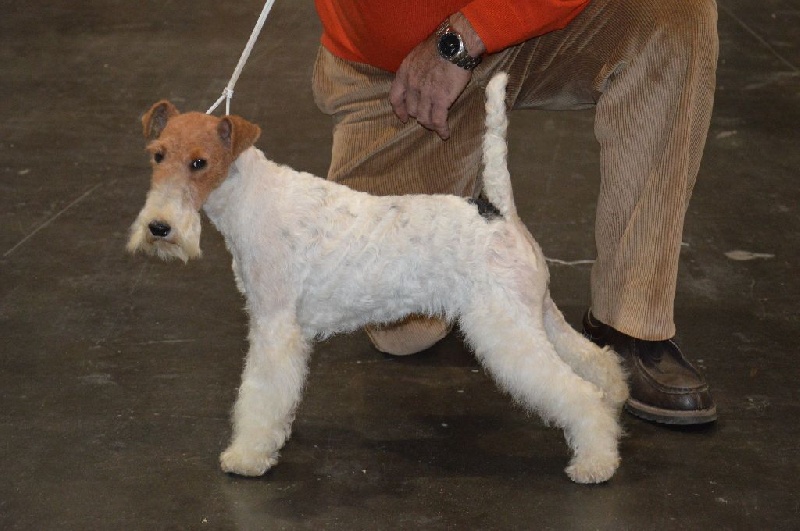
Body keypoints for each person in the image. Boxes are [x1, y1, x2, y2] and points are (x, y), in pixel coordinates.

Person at [311, 0, 718, 425]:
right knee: (402, 330)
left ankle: (631, 322)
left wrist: (469, 34)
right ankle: (462, 187)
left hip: (536, 29)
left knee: (675, 17)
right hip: (398, 71)